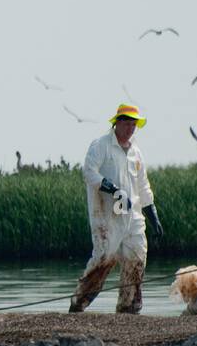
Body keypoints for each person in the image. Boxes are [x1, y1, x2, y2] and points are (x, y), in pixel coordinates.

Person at [69, 104, 164, 314]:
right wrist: (110, 188)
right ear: (117, 123)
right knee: (104, 259)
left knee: (137, 259)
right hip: (107, 216)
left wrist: (153, 215)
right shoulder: (101, 146)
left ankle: (128, 308)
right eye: (128, 123)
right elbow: (89, 173)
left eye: (134, 124)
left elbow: (143, 186)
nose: (131, 128)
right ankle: (78, 305)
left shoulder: (136, 152)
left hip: (134, 217)